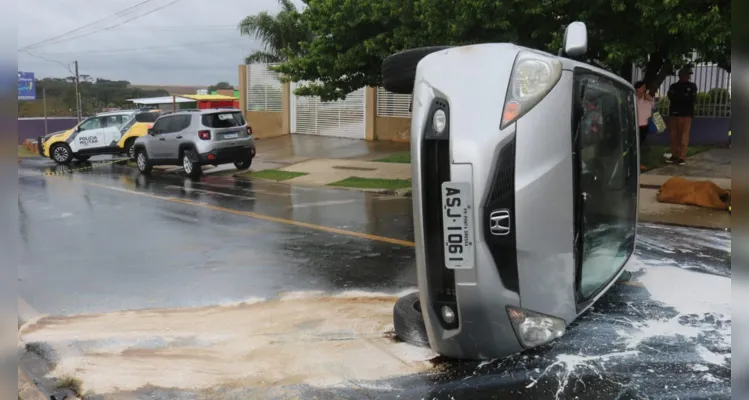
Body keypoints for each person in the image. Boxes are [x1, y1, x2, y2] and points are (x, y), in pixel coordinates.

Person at [664, 67, 698, 165]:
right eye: (687, 75)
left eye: (689, 75)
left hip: (686, 115)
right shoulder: (674, 86)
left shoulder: (692, 86)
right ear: (681, 76)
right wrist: (684, 96)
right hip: (674, 114)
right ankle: (675, 155)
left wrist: (680, 97)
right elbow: (671, 97)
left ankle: (682, 157)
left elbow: (692, 99)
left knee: (684, 136)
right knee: (674, 136)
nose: (688, 77)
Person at [634, 81, 654, 170]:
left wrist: (650, 100)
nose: (644, 89)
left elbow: (654, 108)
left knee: (640, 145)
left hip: (644, 126)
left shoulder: (647, 99)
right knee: (635, 145)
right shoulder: (633, 98)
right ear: (637, 89)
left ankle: (639, 163)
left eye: (645, 87)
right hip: (636, 125)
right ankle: (634, 163)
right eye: (642, 87)